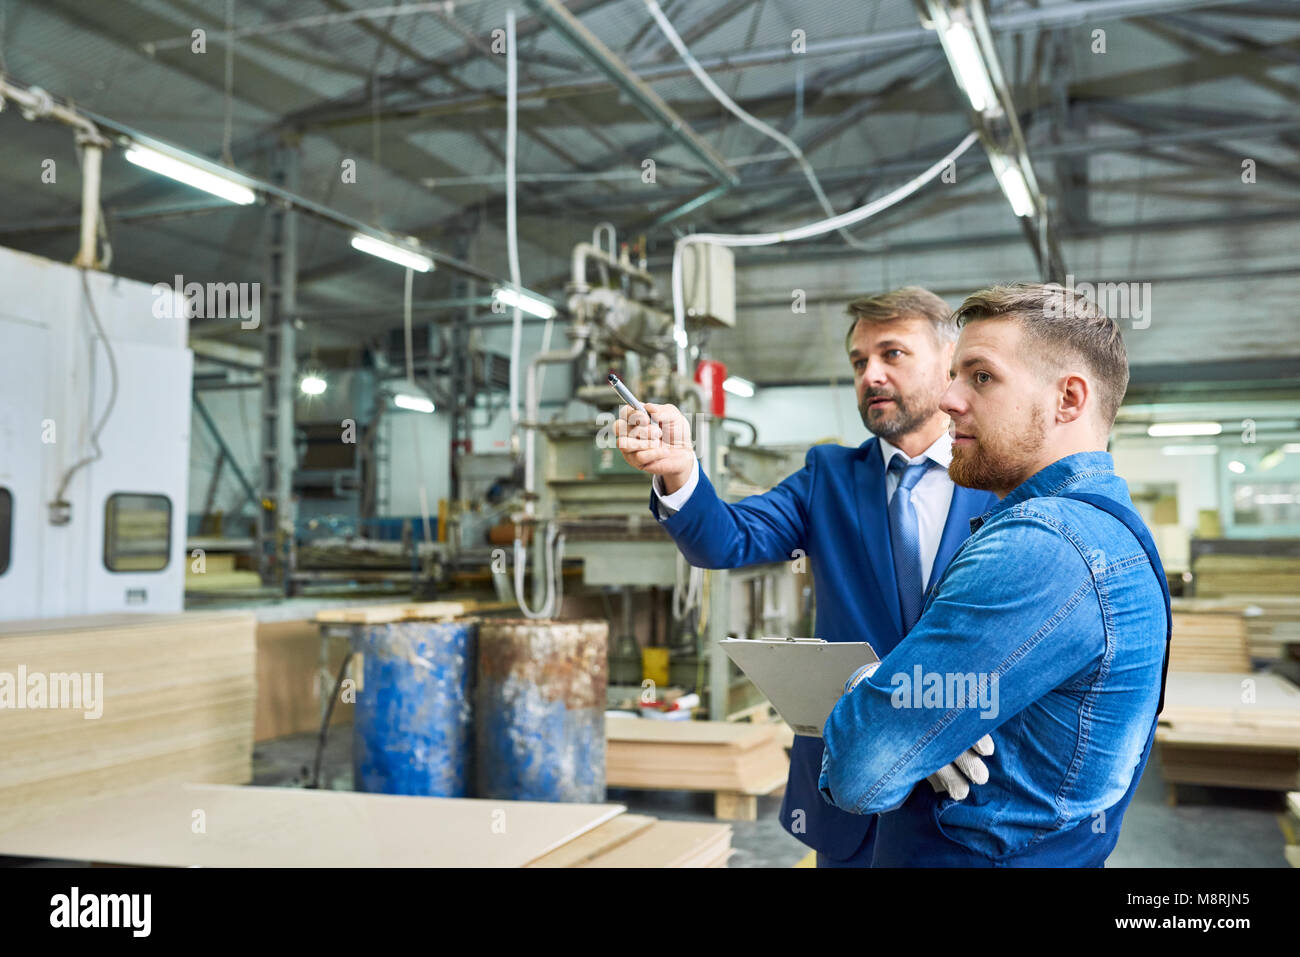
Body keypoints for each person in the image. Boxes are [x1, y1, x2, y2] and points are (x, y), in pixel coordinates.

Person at [614, 287, 998, 867]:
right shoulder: (829, 475)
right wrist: (680, 473)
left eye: (892, 354)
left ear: (950, 364)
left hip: (969, 785)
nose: (870, 374)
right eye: (859, 361)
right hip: (850, 790)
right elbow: (727, 540)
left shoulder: (1001, 478)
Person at [818, 282, 1171, 867]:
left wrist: (867, 689)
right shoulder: (1111, 528)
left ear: (1068, 399)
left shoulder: (1044, 548)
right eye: (954, 375)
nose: (949, 399)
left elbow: (862, 768)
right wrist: (931, 726)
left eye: (981, 376)